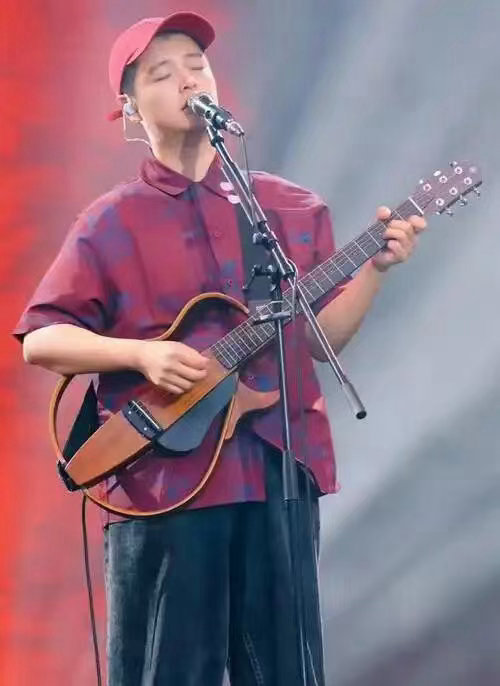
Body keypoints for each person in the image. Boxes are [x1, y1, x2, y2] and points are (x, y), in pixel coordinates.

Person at [13, 12, 427, 686]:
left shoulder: (291, 210)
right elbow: (43, 339)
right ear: (129, 108)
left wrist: (376, 270)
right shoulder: (111, 222)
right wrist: (141, 357)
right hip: (163, 483)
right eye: (161, 73)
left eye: (196, 65)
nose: (187, 80)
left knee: (286, 669)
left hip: (277, 469)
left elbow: (322, 339)